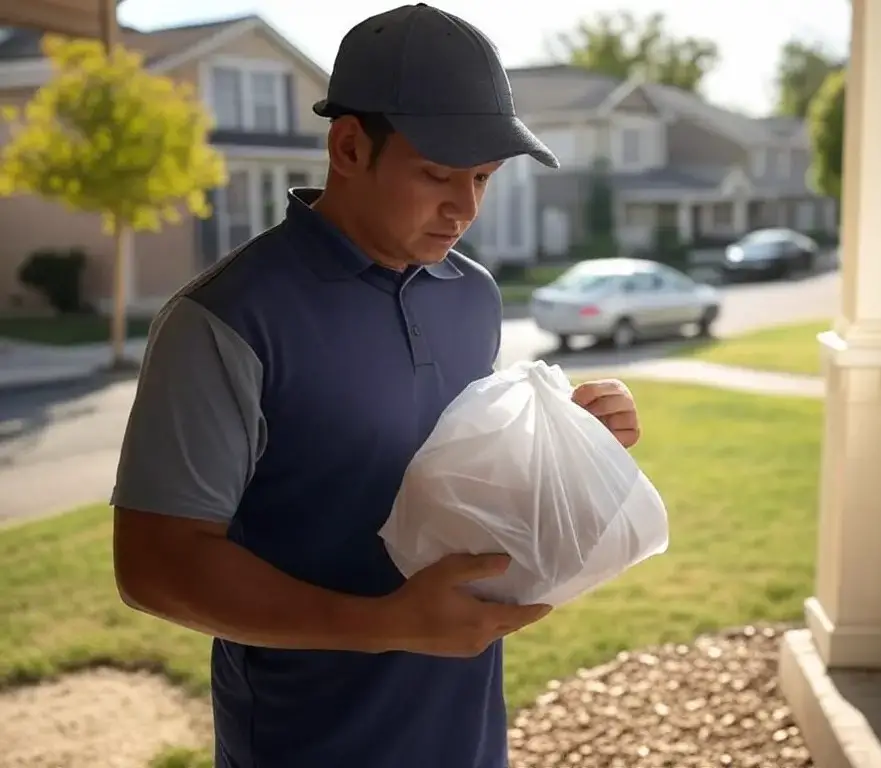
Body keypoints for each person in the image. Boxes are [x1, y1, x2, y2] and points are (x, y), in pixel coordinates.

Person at [111, 4, 641, 768]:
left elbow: (459, 487)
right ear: (350, 146)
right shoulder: (224, 320)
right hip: (308, 742)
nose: (464, 207)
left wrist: (576, 445)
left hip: (466, 734)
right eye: (436, 174)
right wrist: (386, 624)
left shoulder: (472, 296)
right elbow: (155, 567)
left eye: (484, 178)